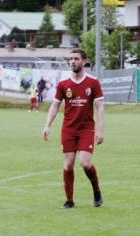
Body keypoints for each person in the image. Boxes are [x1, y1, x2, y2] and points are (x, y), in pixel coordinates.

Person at [43, 48, 105, 208]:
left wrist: (100, 130)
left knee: (84, 163)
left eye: (76, 59)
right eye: (70, 59)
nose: (72, 62)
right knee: (69, 163)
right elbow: (55, 105)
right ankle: (69, 201)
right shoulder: (64, 83)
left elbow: (99, 106)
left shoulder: (93, 82)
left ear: (84, 62)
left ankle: (96, 190)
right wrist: (47, 125)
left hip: (86, 129)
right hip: (68, 129)